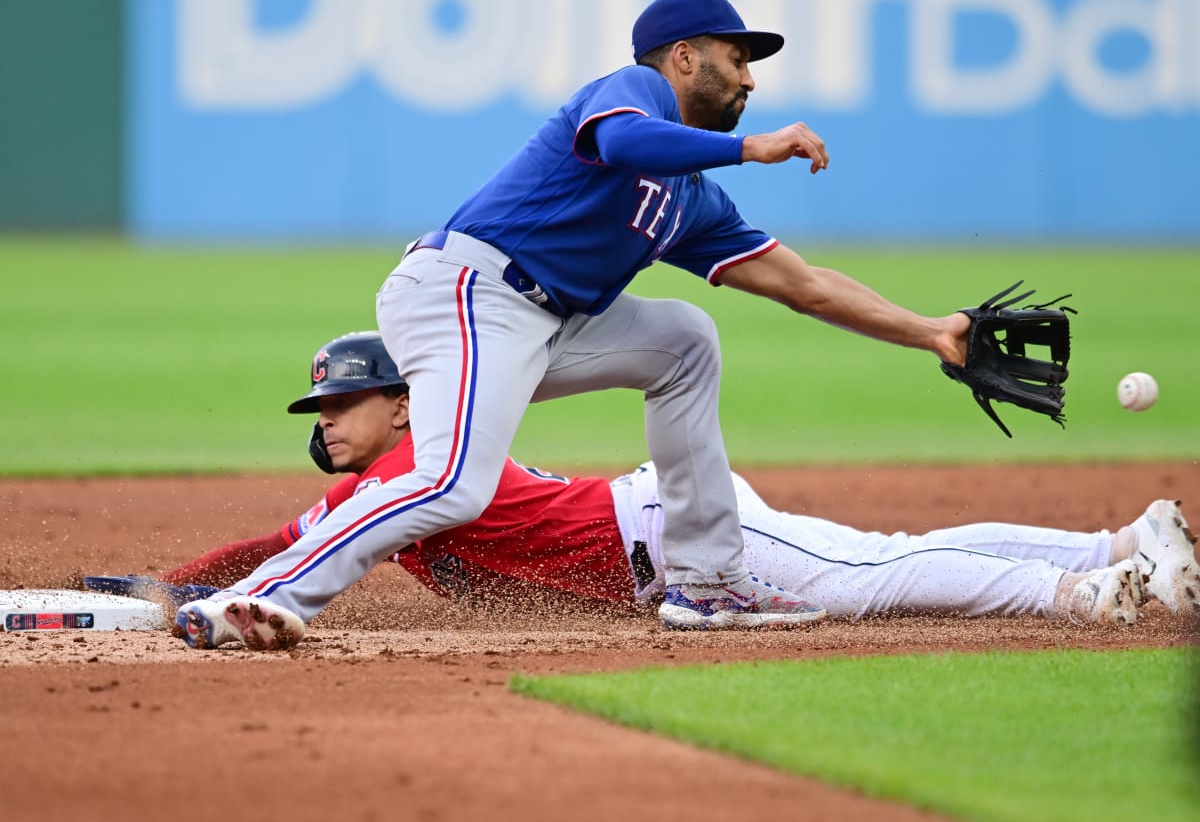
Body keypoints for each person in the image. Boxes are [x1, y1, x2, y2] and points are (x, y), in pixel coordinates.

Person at [181, 0, 980, 638]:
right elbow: (628, 143)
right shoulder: (630, 91)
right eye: (737, 58)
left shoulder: (691, 200)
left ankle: (707, 584)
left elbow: (804, 285)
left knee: (685, 340)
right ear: (683, 57)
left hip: (545, 324)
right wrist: (752, 146)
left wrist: (931, 333)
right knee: (455, 484)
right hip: (467, 291)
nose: (750, 79)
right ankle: (261, 598)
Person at [117, 332, 1197, 650]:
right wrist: (176, 584)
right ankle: (1111, 544)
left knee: (879, 577)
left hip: (670, 537)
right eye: (319, 416)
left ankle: (1081, 595)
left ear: (402, 406)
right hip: (660, 533)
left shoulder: (412, 467)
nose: (328, 426)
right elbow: (286, 541)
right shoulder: (397, 476)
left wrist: (197, 595)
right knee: (882, 552)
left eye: (340, 407)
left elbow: (287, 552)